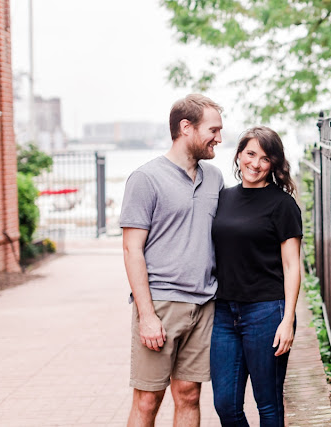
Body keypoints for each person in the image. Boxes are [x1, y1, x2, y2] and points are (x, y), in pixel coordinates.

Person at [120, 94, 224, 426]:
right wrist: (146, 315)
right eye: (213, 130)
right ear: (185, 127)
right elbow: (131, 249)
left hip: (204, 304)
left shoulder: (215, 178)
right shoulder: (145, 178)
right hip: (161, 304)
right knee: (148, 400)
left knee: (189, 395)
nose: (219, 139)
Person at [210, 126, 302, 426]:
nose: (256, 163)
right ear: (238, 156)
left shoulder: (283, 205)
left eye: (265, 158)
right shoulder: (222, 198)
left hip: (267, 312)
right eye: (250, 154)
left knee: (269, 406)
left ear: (274, 164)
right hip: (224, 312)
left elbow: (291, 266)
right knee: (225, 405)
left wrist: (287, 320)